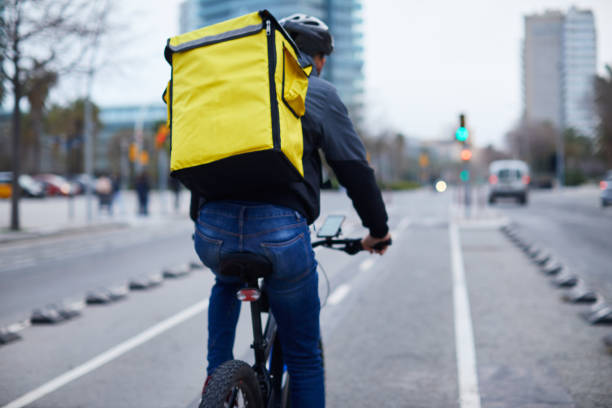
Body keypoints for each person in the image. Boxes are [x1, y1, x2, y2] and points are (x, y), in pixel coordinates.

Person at [192, 13, 391, 407]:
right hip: (280, 230)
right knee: (304, 358)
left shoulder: (234, 85)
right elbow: (353, 169)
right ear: (318, 59)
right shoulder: (316, 90)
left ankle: (216, 383)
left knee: (226, 280)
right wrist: (378, 229)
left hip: (212, 228)